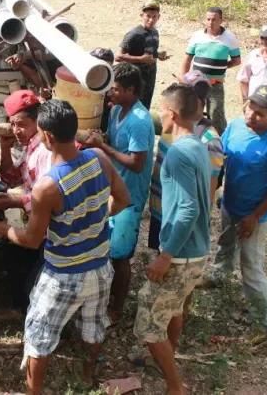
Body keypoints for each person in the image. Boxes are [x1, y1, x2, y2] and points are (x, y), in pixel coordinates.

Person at [0, 99, 130, 395]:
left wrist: (4, 229)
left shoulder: (48, 186)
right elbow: (121, 200)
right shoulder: (98, 157)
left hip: (63, 274)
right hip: (100, 265)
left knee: (38, 336)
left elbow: (32, 239)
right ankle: (86, 377)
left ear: (46, 136)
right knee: (93, 326)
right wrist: (93, 215)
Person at [133, 83, 212, 395]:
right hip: (196, 251)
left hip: (181, 255)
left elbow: (189, 208)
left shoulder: (178, 152)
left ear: (173, 113)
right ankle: (169, 360)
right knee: (174, 308)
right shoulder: (198, 144)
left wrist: (166, 255)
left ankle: (175, 386)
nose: (160, 115)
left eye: (162, 110)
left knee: (148, 324)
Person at [206, 85, 267, 339]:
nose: (250, 116)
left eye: (259, 114)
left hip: (254, 215)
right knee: (225, 244)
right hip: (230, 204)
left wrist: (254, 216)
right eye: (249, 108)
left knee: (251, 268)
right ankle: (219, 276)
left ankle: (264, 324)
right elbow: (222, 158)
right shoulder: (235, 126)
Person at [81, 63, 154, 326]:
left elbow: (136, 162)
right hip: (112, 190)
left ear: (131, 91)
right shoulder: (116, 111)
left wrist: (103, 148)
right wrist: (103, 140)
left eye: (116, 89)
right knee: (107, 246)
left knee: (121, 256)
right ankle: (103, 297)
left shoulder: (140, 121)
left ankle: (117, 307)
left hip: (130, 197)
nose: (110, 93)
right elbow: (113, 143)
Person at [0, 90, 52, 323]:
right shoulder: (30, 145)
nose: (16, 131)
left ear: (38, 121)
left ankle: (31, 313)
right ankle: (20, 306)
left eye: (21, 125)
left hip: (48, 225)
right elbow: (12, 178)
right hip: (33, 218)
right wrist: (4, 148)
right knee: (16, 257)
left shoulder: (44, 151)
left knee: (33, 266)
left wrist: (14, 201)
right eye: (12, 125)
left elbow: (47, 198)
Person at [148, 70, 224, 252]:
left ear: (194, 101)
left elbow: (207, 192)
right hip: (160, 212)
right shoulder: (172, 123)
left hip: (179, 221)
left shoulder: (209, 141)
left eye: (181, 89)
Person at [181, 6, 242, 135]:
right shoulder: (197, 36)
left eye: (214, 19)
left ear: (221, 20)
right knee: (193, 114)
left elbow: (236, 61)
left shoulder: (230, 38)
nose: (210, 22)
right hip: (195, 84)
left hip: (215, 85)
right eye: (208, 19)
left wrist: (220, 68)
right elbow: (187, 60)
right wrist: (184, 80)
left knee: (216, 116)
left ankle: (220, 145)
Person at [115, 0, 172, 110]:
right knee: (132, 109)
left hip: (149, 79)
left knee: (145, 107)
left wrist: (158, 55)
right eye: (148, 16)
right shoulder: (134, 34)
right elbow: (117, 56)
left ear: (158, 17)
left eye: (154, 16)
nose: (151, 20)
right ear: (142, 15)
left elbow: (148, 53)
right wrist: (141, 59)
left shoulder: (155, 32)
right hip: (135, 81)